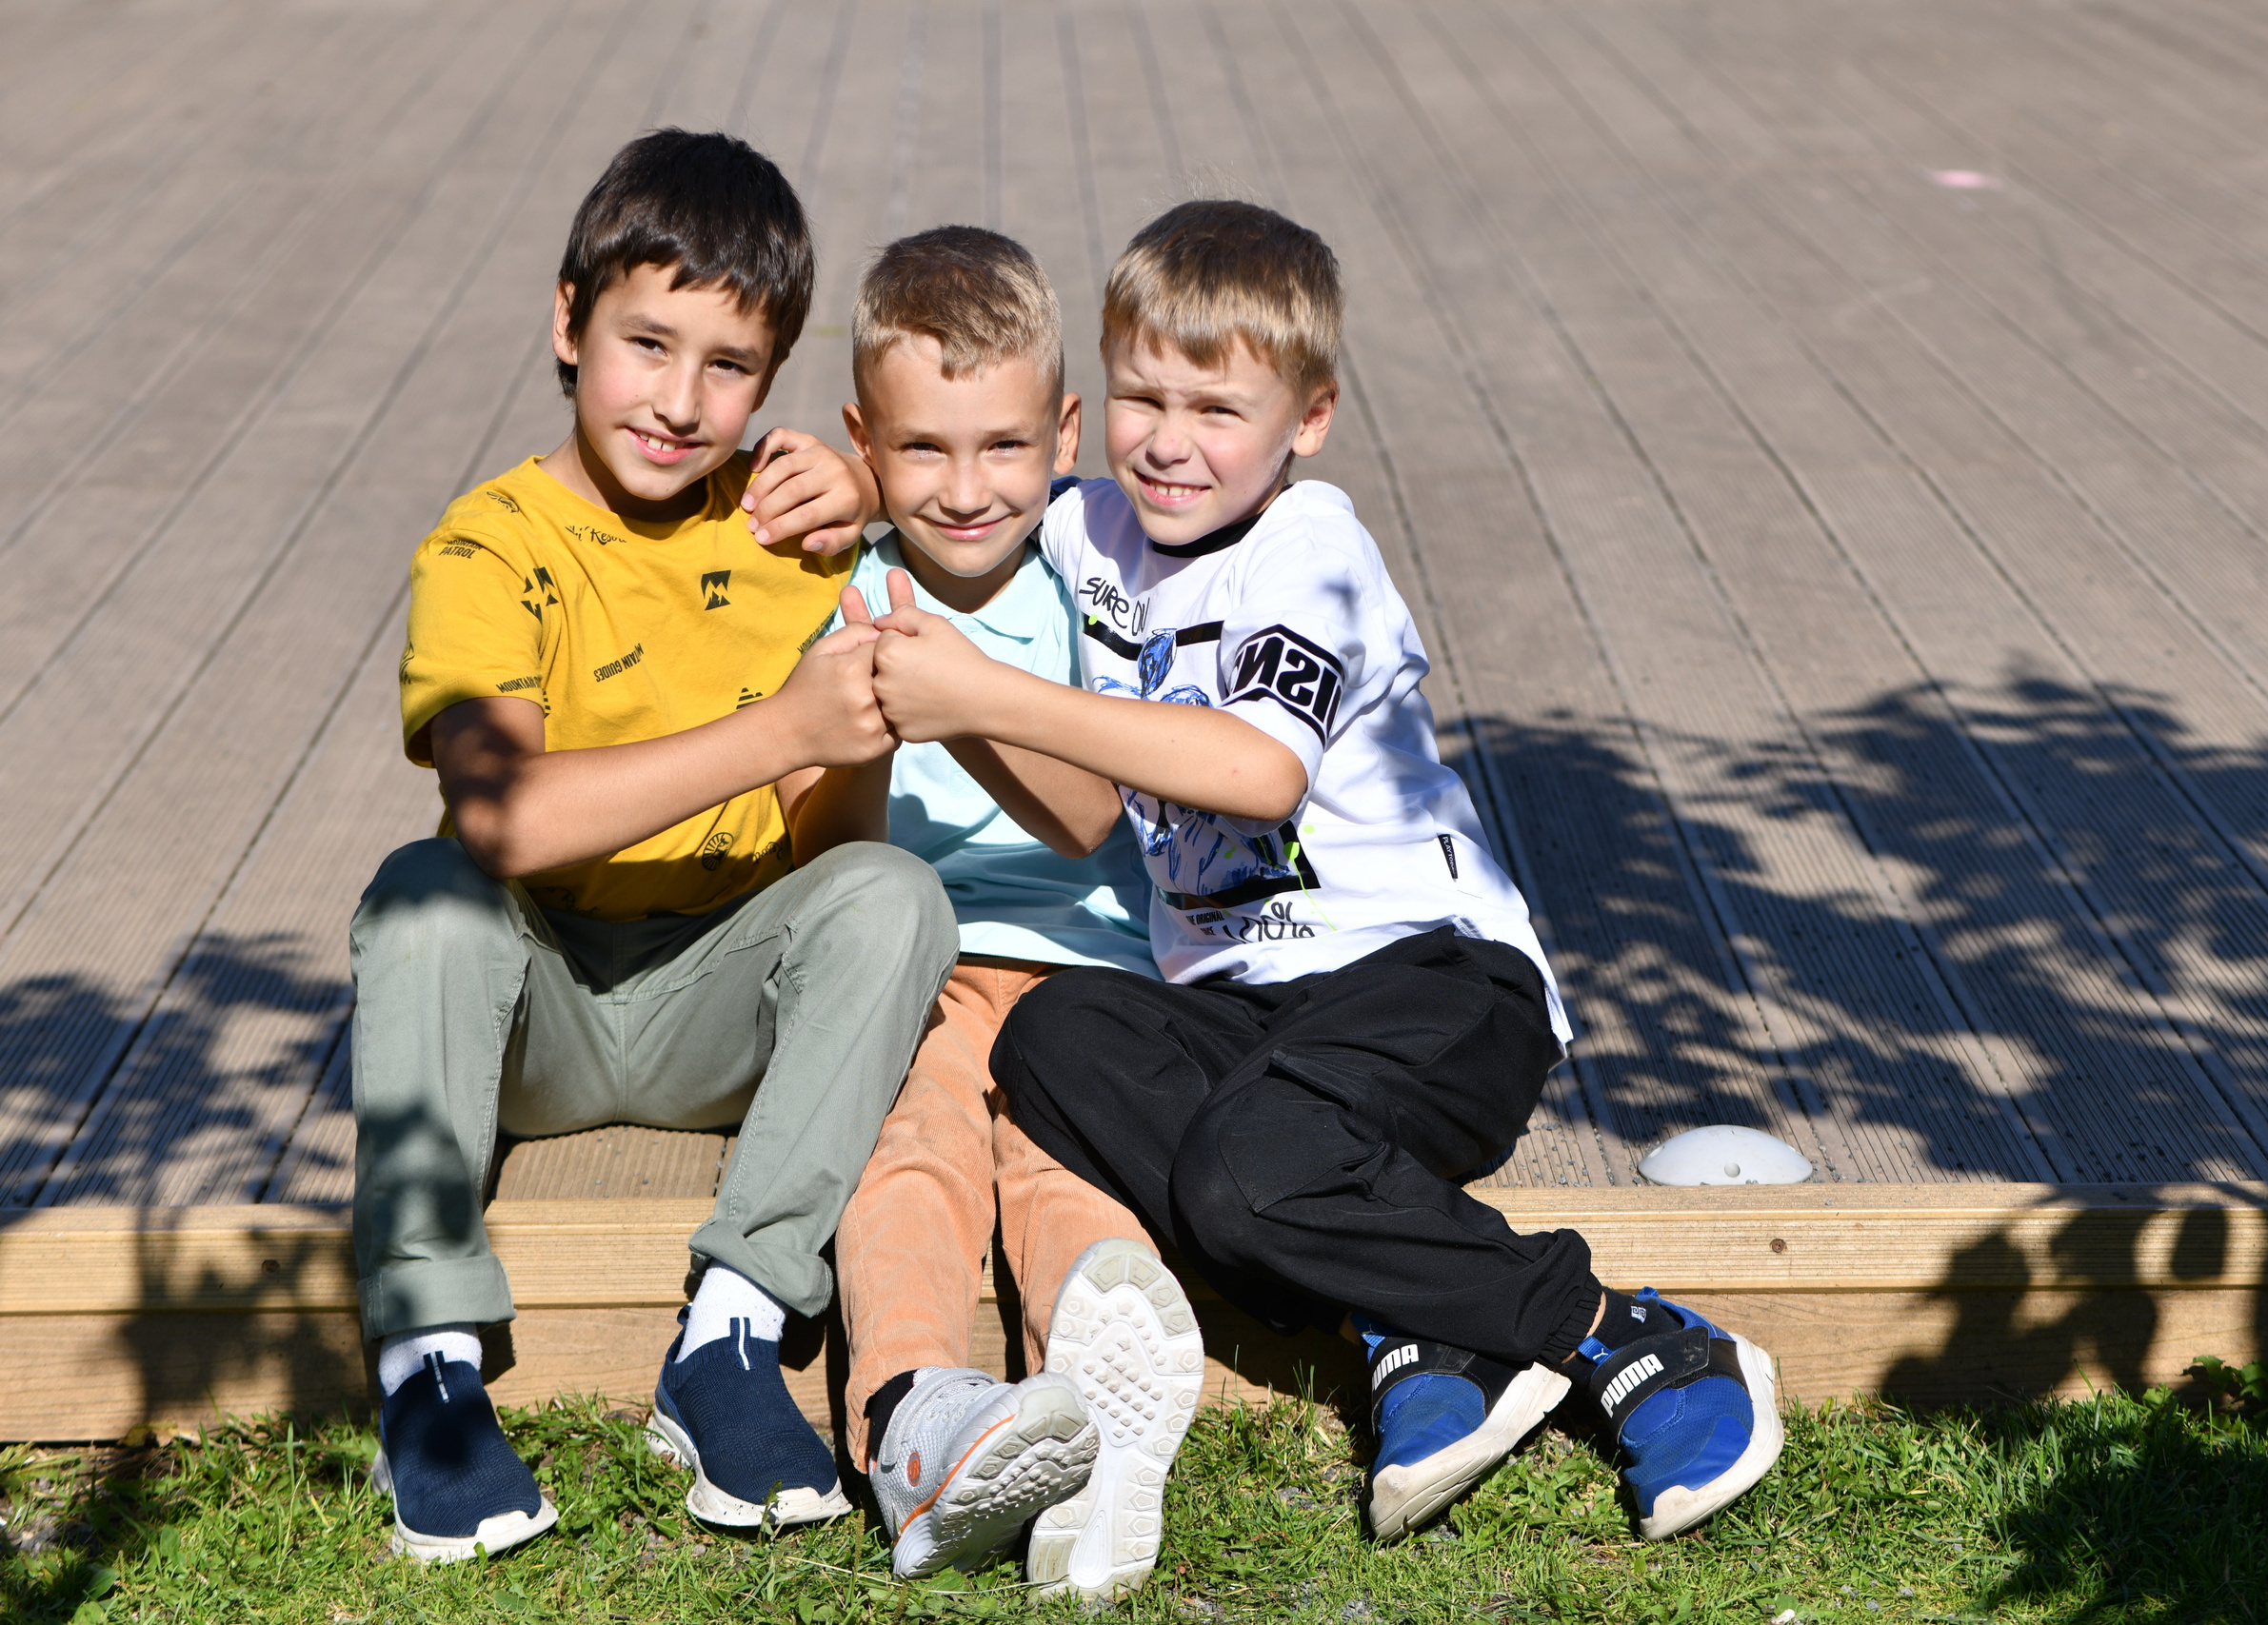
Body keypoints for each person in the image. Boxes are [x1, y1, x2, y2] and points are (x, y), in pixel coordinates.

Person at [853, 199, 1786, 1545]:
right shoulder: (1089, 531)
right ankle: (1421, 1327)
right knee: (1054, 1042)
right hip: (1249, 1014)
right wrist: (847, 493)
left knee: (1243, 1170)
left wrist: (987, 696)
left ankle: (1627, 1336)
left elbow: (1255, 773)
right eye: (1143, 400)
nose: (1170, 442)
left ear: (1310, 418)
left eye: (1217, 410)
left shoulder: (1311, 551)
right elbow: (982, 531)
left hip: (1431, 983)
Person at [348, 128, 953, 1563]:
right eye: (647, 344)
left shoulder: (790, 534)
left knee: (893, 892)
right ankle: (427, 1368)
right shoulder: (489, 546)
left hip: (717, 1008)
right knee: (427, 892)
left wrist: (852, 695)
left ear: (773, 376)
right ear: (570, 322)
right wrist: (777, 726)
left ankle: (731, 1337)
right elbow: (501, 815)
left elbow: (829, 851)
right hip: (534, 1011)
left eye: (729, 366)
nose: (681, 403)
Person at [815, 226, 1202, 1599]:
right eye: (923, 449)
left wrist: (956, 696)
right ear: (864, 443)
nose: (968, 488)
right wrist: (863, 711)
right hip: (913, 960)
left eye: (1005, 447)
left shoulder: (1095, 580)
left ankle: (1107, 1386)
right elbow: (829, 846)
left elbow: (1090, 815)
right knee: (908, 1155)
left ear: (1065, 436)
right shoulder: (842, 595)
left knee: (1060, 1163)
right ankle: (916, 1413)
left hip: (1083, 971)